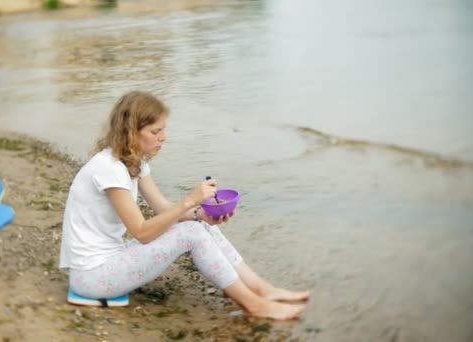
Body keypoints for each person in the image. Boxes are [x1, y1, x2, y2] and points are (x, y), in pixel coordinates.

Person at [59, 91, 309, 320]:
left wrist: (201, 212)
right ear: (132, 131)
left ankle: (260, 289)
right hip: (92, 277)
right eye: (156, 132)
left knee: (197, 224)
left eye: (163, 130)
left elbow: (162, 208)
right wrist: (189, 200)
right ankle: (253, 305)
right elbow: (142, 232)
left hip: (110, 262)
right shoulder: (109, 168)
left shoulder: (133, 163)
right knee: (190, 233)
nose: (163, 138)